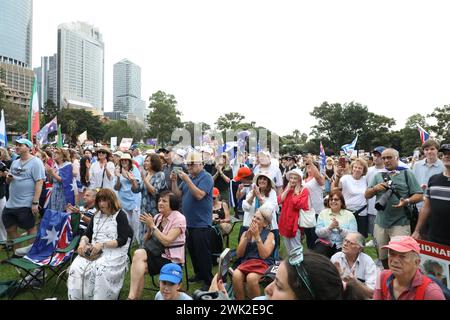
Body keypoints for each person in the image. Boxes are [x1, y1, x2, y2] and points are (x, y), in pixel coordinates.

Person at [67, 189, 133, 300]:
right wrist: (82, 243)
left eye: (104, 201)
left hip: (114, 250)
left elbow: (122, 240)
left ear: (111, 201)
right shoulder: (96, 215)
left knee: (99, 268)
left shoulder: (120, 215)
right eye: (100, 201)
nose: (101, 204)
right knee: (76, 267)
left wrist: (102, 245)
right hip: (93, 249)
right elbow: (87, 234)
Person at [365, 148, 423, 269]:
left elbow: (419, 195)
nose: (386, 160)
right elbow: (366, 195)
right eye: (384, 158)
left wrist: (407, 201)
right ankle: (387, 275)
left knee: (400, 255)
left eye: (389, 157)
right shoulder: (378, 176)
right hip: (381, 222)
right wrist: (375, 189)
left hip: (401, 222)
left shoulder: (407, 173)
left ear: (397, 158)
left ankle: (401, 279)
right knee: (382, 255)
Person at [127, 191, 186, 300]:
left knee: (139, 264)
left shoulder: (179, 218)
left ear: (172, 204)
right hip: (156, 253)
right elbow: (144, 240)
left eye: (164, 201)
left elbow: (167, 241)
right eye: (159, 200)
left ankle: (132, 297)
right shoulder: (158, 217)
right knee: (138, 259)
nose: (160, 203)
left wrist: (153, 227)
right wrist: (149, 229)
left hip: (170, 259)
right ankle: (133, 298)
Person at [171, 151, 214, 291]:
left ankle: (208, 279)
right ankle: (199, 274)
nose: (189, 167)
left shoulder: (206, 177)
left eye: (192, 164)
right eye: (188, 164)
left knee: (203, 253)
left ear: (200, 164)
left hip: (201, 222)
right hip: (188, 222)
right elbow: (178, 196)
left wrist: (187, 180)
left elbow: (199, 195)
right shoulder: (189, 177)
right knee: (193, 251)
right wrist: (173, 182)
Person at [2, 139, 45, 249]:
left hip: (26, 202)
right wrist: (8, 178)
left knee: (30, 228)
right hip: (11, 202)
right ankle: (18, 251)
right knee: (10, 228)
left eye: (20, 145)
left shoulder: (36, 162)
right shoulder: (15, 162)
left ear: (29, 147)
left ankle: (31, 252)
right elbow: (8, 181)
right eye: (16, 145)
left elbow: (39, 182)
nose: (17, 147)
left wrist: (35, 202)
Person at [373, 236, 445, 300]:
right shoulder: (383, 277)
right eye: (392, 254)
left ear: (416, 262)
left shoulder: (431, 292)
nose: (395, 260)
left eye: (402, 256)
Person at [233, 207, 275, 300]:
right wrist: (246, 238)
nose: (254, 220)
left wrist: (257, 237)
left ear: (265, 224)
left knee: (251, 278)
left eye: (258, 218)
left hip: (263, 263)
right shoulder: (245, 233)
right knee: (236, 275)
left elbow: (264, 255)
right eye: (254, 217)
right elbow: (239, 254)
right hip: (246, 263)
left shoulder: (270, 235)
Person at [412, 143, 450, 246]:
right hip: (435, 236)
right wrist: (417, 230)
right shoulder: (434, 179)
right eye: (445, 153)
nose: (447, 156)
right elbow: (426, 207)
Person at [331, 232, 378, 299]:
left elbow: (372, 294)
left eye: (350, 243)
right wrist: (338, 278)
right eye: (345, 240)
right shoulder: (336, 258)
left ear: (360, 248)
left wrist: (356, 283)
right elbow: (328, 286)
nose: (345, 244)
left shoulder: (368, 262)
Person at [314, 189, 357, 258]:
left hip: (343, 244)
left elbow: (354, 235)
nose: (333, 201)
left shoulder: (349, 215)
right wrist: (329, 228)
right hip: (326, 243)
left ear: (341, 202)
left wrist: (340, 229)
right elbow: (318, 232)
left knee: (340, 258)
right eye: (331, 199)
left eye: (336, 199)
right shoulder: (323, 213)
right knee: (319, 253)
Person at [334, 158, 369, 238]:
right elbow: (335, 188)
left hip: (362, 212)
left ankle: (360, 250)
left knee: (360, 237)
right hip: (347, 212)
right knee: (346, 236)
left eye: (360, 168)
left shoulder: (366, 180)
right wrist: (338, 177)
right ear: (352, 168)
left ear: (364, 170)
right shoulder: (345, 178)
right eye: (355, 167)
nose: (357, 169)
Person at [278, 168, 311, 252]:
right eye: (291, 178)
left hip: (296, 223)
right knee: (288, 248)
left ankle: (298, 264)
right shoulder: (288, 189)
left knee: (296, 248)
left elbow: (298, 205)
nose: (292, 180)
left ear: (299, 179)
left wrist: (296, 193)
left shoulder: (304, 190)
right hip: (285, 221)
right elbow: (279, 200)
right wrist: (287, 190)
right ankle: (290, 264)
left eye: (295, 178)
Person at [114, 153, 142, 245]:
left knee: (136, 222)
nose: (124, 162)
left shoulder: (134, 168)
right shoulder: (118, 170)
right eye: (122, 160)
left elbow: (136, 184)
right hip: (123, 199)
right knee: (127, 222)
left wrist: (125, 175)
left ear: (129, 161)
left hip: (134, 198)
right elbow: (117, 187)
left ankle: (137, 241)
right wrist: (118, 176)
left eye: (126, 160)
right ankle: (130, 240)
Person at [365, 146, 386, 247]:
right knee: (374, 232)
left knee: (383, 235)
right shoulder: (368, 171)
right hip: (371, 206)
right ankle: (375, 242)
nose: (376, 157)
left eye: (379, 155)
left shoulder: (388, 170)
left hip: (384, 207)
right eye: (374, 155)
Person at [45, 148, 75, 212]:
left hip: (62, 191)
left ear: (62, 155)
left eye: (57, 153)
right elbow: (52, 181)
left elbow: (63, 180)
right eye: (54, 153)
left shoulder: (67, 165)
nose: (54, 154)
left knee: (60, 211)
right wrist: (49, 173)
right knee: (54, 210)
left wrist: (52, 172)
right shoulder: (54, 165)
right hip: (55, 190)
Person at [0, 147, 11, 241]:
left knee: (2, 218)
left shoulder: (2, 165)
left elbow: (8, 175)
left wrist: (5, 174)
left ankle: (3, 240)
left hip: (0, 195)